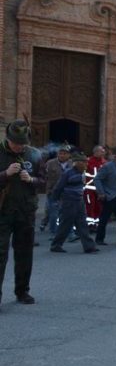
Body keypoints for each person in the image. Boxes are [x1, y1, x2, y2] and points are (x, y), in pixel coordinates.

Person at [0, 120, 45, 306]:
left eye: (22, 144)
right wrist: (5, 174)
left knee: (25, 253)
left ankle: (22, 291)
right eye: (15, 143)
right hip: (2, 212)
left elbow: (44, 182)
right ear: (7, 139)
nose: (19, 147)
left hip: (26, 211)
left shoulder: (34, 154)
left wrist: (32, 179)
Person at [49, 152, 99, 254]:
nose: (86, 165)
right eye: (84, 162)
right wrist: (55, 200)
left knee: (82, 224)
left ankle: (89, 246)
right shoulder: (67, 173)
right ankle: (56, 245)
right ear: (77, 163)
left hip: (79, 202)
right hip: (68, 202)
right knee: (65, 225)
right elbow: (58, 187)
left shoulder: (82, 173)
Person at [43, 144, 72, 239]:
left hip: (67, 192)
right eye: (60, 153)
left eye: (64, 153)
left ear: (69, 155)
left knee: (67, 213)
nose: (62, 155)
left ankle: (69, 233)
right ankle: (54, 233)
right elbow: (44, 176)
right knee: (53, 214)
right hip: (53, 192)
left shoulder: (72, 164)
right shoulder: (50, 163)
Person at [84, 145, 106, 228]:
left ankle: (97, 223)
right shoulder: (88, 161)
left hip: (100, 189)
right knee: (90, 206)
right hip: (89, 188)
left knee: (99, 206)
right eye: (101, 151)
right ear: (96, 152)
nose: (103, 152)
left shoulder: (104, 162)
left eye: (103, 151)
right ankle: (90, 224)